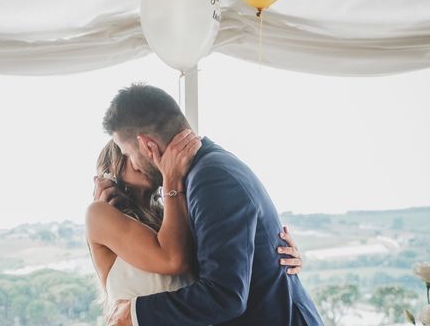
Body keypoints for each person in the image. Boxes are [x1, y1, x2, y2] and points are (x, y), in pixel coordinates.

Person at [100, 83, 323, 326]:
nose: (130, 163)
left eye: (127, 153)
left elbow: (225, 295)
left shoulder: (211, 177)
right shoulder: (202, 172)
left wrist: (135, 313)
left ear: (148, 146)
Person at [87, 134, 304, 321]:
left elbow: (224, 263)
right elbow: (173, 260)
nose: (139, 160)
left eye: (143, 152)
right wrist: (172, 180)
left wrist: (276, 254)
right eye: (126, 154)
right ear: (110, 169)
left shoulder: (176, 218)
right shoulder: (99, 214)